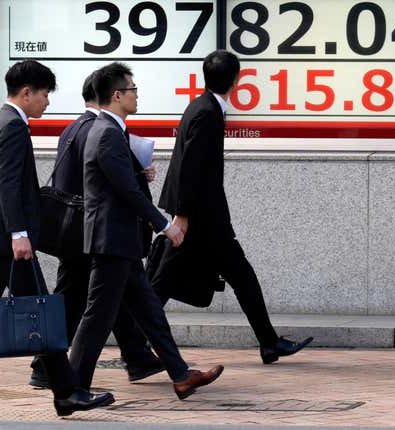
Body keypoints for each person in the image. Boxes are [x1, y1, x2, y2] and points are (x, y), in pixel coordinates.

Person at [0, 60, 113, 420]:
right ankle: (66, 393)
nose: (47, 102)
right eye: (45, 94)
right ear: (27, 92)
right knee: (41, 314)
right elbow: (9, 184)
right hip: (6, 241)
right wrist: (19, 233)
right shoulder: (14, 125)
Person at [68, 62, 224, 400]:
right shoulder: (106, 132)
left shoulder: (112, 130)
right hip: (111, 240)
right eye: (133, 90)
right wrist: (165, 225)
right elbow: (125, 191)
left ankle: (181, 375)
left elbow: (121, 182)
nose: (137, 95)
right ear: (116, 95)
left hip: (119, 240)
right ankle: (72, 389)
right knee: (97, 316)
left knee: (150, 312)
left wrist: (141, 174)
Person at [157, 50, 314, 365]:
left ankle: (269, 343)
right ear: (236, 80)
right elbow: (191, 167)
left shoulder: (203, 107)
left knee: (171, 280)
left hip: (202, 217)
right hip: (201, 219)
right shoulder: (206, 112)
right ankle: (130, 338)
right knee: (162, 281)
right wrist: (183, 216)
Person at [29, 72, 164, 389]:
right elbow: (112, 179)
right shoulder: (99, 129)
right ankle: (44, 367)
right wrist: (138, 173)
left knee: (108, 296)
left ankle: (138, 356)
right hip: (90, 229)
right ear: (108, 95)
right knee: (78, 301)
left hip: (76, 228)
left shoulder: (73, 127)